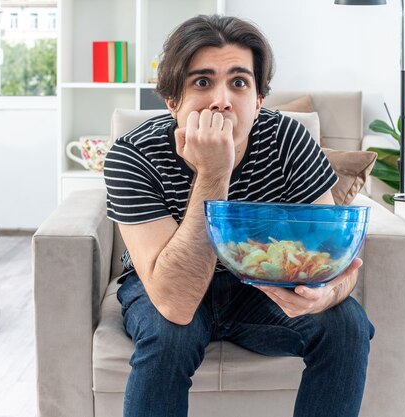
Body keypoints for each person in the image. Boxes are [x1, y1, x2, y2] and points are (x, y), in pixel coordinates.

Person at [104, 14, 374, 417]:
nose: (222, 100)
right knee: (168, 334)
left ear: (259, 99)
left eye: (239, 82)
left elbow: (333, 267)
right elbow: (174, 302)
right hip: (162, 285)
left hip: (260, 287)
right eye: (201, 82)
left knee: (347, 323)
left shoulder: (288, 141)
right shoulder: (132, 155)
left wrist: (324, 295)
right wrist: (214, 172)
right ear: (171, 100)